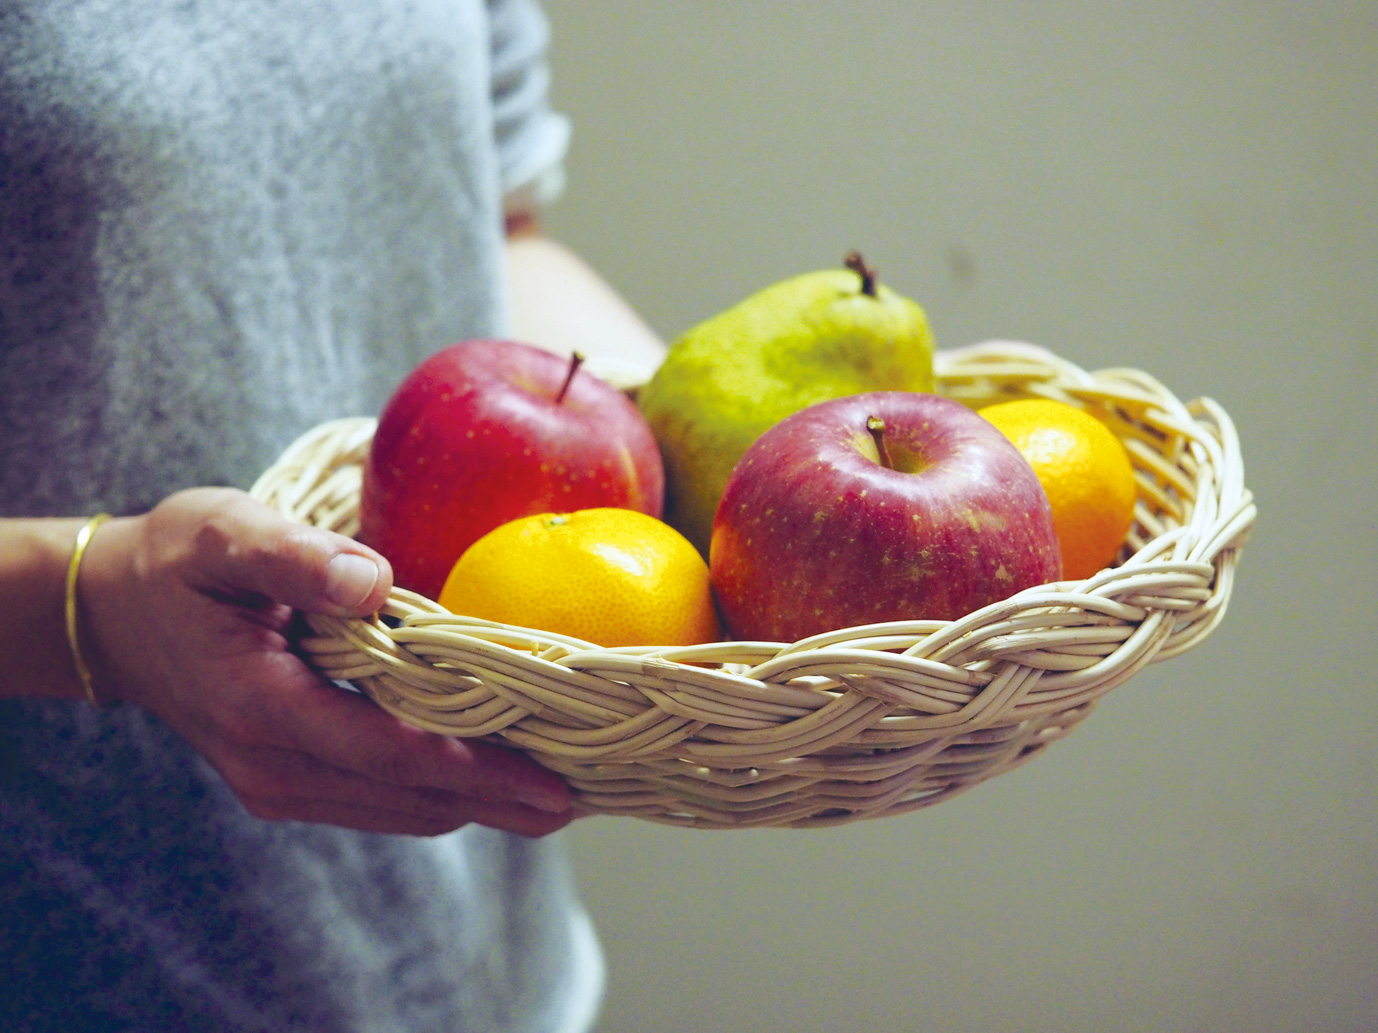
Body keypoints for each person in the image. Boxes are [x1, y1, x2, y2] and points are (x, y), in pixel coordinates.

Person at [0, 1, 665, 1029]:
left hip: (488, 954)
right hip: (84, 954)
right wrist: (94, 608)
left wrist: (738, 494)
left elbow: (494, 223)